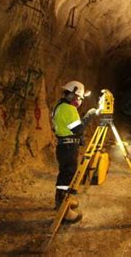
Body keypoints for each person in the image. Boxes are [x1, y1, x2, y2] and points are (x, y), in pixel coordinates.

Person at [51, 80, 99, 223]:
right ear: (72, 95)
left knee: (64, 175)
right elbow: (78, 129)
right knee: (68, 176)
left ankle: (61, 200)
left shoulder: (59, 106)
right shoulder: (69, 109)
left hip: (63, 146)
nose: (79, 101)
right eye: (79, 98)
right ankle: (64, 211)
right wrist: (90, 115)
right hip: (68, 147)